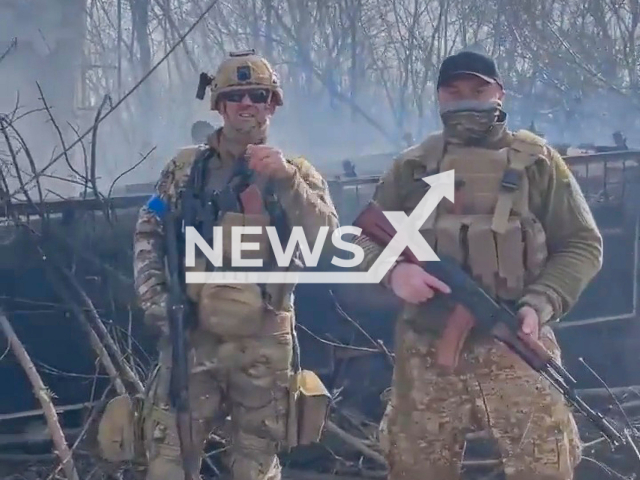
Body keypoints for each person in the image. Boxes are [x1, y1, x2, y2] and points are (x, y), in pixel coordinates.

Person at [354, 50, 603, 480]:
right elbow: (360, 240)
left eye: (478, 90)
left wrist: (540, 303)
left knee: (545, 466)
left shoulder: (538, 163)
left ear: (499, 93)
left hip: (516, 347)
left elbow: (582, 243)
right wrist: (395, 273)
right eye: (455, 91)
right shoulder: (413, 167)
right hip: (427, 349)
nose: (467, 100)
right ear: (438, 98)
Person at [133, 50, 339, 480]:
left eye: (257, 95)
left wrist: (287, 182)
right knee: (169, 459)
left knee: (255, 465)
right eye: (235, 96)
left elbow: (325, 239)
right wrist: (155, 300)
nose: (247, 104)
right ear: (219, 106)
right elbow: (149, 230)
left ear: (272, 103)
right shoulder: (184, 170)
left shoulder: (297, 173)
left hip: (262, 344)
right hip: (192, 335)